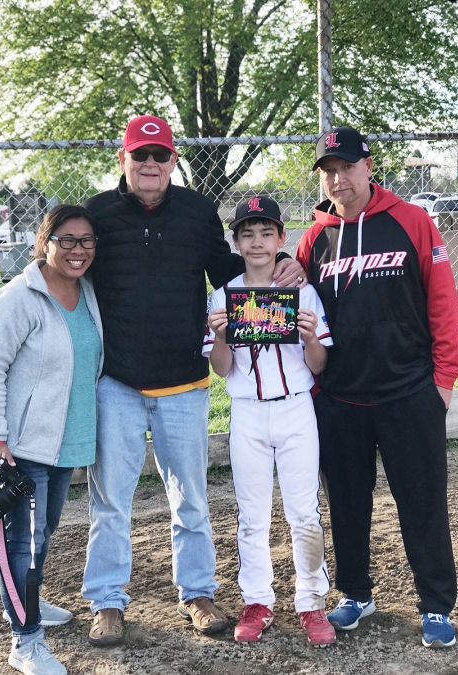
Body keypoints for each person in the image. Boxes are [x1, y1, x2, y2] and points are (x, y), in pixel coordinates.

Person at [80, 114, 306, 645]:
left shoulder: (198, 210)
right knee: (110, 497)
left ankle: (198, 592)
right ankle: (107, 601)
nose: (151, 164)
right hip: (117, 380)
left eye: (161, 156)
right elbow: (70, 264)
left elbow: (228, 269)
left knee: (191, 499)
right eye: (141, 155)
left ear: (174, 160)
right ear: (125, 159)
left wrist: (280, 263)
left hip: (184, 380)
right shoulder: (97, 213)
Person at [296, 126, 458, 649]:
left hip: (410, 391)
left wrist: (443, 380)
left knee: (423, 500)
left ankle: (434, 604)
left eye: (346, 167)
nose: (337, 178)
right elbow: (297, 306)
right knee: (345, 500)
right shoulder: (312, 238)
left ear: (369, 167)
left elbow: (442, 302)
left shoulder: (411, 221)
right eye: (327, 170)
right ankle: (356, 593)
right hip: (340, 395)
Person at [0, 204, 103, 675]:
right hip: (23, 447)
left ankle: (27, 601)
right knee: (23, 544)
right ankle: (24, 640)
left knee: (42, 534)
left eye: (87, 240)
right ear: (44, 242)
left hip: (65, 441)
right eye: (66, 239)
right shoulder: (16, 300)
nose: (77, 250)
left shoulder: (87, 292)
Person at [203, 197, 335, 646]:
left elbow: (317, 365)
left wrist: (311, 336)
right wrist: (221, 336)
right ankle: (257, 601)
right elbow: (221, 369)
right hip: (248, 413)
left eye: (266, 233)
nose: (257, 242)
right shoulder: (223, 296)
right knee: (252, 515)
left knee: (305, 513)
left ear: (282, 239)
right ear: (236, 242)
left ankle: (311, 601)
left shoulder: (303, 292)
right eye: (247, 234)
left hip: (297, 408)